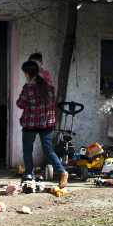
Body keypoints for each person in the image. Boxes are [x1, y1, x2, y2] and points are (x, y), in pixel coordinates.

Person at [16, 60, 68, 188]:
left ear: (27, 74)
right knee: (48, 150)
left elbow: (20, 104)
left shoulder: (28, 88)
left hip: (31, 124)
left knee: (28, 151)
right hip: (47, 124)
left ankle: (29, 176)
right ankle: (62, 172)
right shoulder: (49, 86)